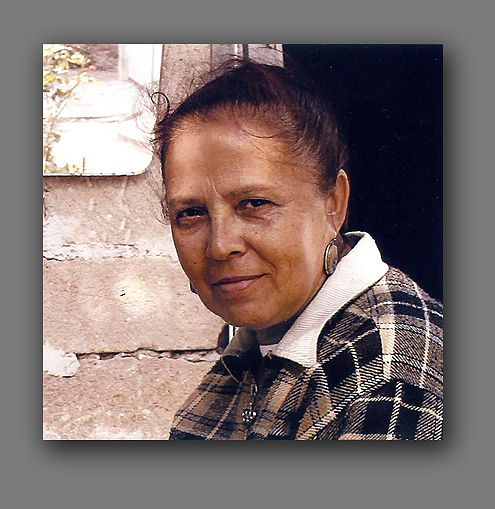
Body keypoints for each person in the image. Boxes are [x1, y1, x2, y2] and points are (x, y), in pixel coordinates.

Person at [153, 59, 443, 440]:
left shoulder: (391, 378)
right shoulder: (250, 356)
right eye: (191, 213)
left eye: (254, 204)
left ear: (333, 204)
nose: (220, 246)